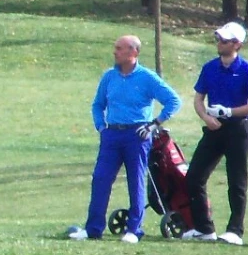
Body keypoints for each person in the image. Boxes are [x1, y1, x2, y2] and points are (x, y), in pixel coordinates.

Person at [70, 35, 181, 243]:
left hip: (137, 135)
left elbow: (173, 101)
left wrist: (155, 124)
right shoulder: (109, 77)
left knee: (135, 180)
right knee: (100, 179)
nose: (115, 52)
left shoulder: (147, 77)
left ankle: (134, 230)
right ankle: (93, 228)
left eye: (120, 49)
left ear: (133, 52)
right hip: (111, 134)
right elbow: (97, 104)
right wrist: (101, 127)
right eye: (116, 48)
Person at [179, 21, 248, 245]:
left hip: (239, 129)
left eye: (224, 41)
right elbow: (198, 98)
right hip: (214, 128)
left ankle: (235, 231)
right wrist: (207, 118)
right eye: (218, 39)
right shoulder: (209, 67)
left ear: (237, 45)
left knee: (236, 180)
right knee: (194, 177)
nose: (219, 43)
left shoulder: (247, 71)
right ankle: (204, 228)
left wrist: (229, 111)